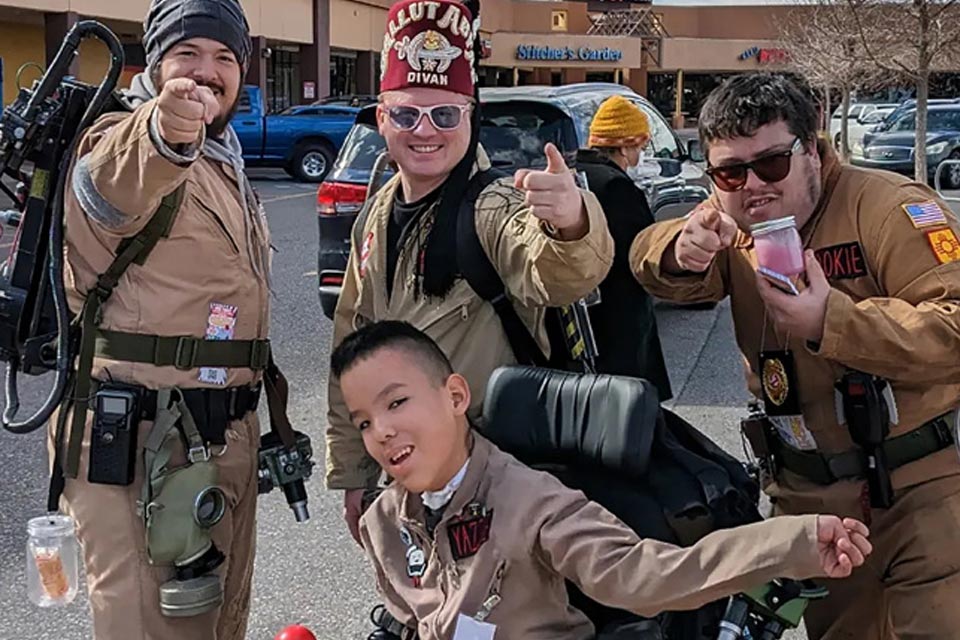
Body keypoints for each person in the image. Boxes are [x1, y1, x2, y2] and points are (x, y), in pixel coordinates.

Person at [630, 72, 960, 639]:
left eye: (772, 163)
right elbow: (648, 257)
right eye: (732, 172)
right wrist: (679, 250)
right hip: (808, 502)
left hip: (919, 493)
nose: (753, 185)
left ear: (811, 148)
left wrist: (833, 321)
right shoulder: (731, 224)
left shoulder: (888, 210)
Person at [330, 320, 873, 640]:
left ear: (454, 397)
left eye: (397, 403)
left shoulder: (530, 501)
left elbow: (645, 576)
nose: (382, 431)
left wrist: (793, 541)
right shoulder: (385, 520)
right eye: (364, 422)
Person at [326, 0, 614, 544]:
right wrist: (355, 475)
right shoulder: (377, 213)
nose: (425, 131)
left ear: (470, 117)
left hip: (493, 488)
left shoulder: (493, 206)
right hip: (411, 480)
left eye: (445, 114)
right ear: (382, 118)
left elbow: (557, 274)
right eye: (408, 114)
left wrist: (573, 220)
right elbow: (351, 346)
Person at [52, 0, 271, 637]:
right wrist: (161, 132)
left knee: (219, 623)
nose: (207, 72)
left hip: (214, 447)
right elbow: (109, 187)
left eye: (225, 57)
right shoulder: (126, 137)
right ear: (155, 62)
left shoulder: (224, 161)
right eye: (188, 54)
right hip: (143, 451)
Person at [575, 95, 672, 399]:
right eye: (640, 147)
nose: (640, 154)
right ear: (626, 145)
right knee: (628, 401)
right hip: (618, 310)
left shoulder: (573, 176)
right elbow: (641, 250)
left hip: (578, 309)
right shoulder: (616, 186)